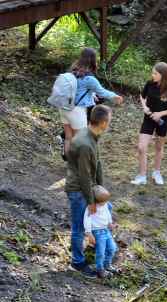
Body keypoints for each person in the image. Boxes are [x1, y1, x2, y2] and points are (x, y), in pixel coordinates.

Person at [65, 104, 113, 278]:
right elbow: (84, 176)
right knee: (79, 227)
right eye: (109, 120)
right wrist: (92, 202)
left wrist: (101, 189)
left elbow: (97, 164)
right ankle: (77, 262)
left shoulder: (92, 134)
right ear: (102, 122)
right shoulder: (85, 143)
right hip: (79, 190)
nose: (110, 122)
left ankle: (96, 244)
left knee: (108, 208)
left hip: (89, 187)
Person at [59, 48, 123, 157]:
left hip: (64, 108)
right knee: (81, 140)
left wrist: (91, 94)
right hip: (77, 110)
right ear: (93, 60)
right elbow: (102, 92)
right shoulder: (89, 78)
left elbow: (78, 88)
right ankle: (78, 166)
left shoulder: (72, 71)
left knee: (69, 136)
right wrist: (115, 96)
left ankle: (69, 163)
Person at [131, 62, 167, 186]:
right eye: (152, 72)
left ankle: (157, 172)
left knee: (159, 147)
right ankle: (142, 175)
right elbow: (142, 97)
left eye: (155, 73)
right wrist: (144, 107)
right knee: (141, 147)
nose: (152, 75)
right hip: (148, 118)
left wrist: (160, 113)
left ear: (163, 75)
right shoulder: (149, 84)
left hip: (162, 121)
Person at [83, 185, 118, 279]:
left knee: (112, 248)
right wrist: (89, 233)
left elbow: (107, 214)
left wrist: (110, 223)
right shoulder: (91, 208)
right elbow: (87, 220)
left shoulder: (105, 205)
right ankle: (100, 269)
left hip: (106, 230)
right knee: (100, 252)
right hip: (97, 232)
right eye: (104, 201)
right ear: (96, 201)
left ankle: (107, 265)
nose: (106, 202)